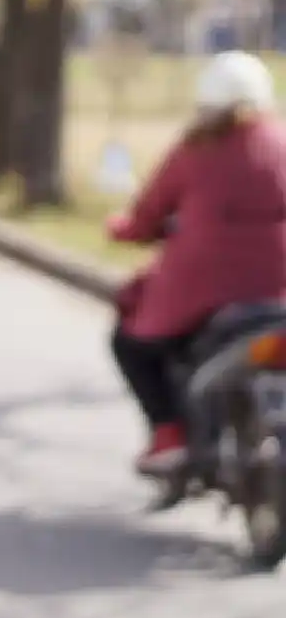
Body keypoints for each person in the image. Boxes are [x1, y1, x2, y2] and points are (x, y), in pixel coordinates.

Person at [108, 49, 286, 475]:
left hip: (203, 294)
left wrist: (123, 227)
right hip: (278, 292)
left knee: (132, 343)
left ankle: (169, 434)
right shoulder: (281, 143)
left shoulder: (196, 148)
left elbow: (147, 214)